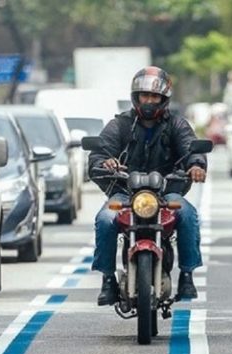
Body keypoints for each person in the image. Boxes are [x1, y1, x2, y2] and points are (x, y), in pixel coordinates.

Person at [88, 66, 208, 306]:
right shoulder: (119, 125)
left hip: (167, 193)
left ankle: (187, 275)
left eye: (155, 96)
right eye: (145, 95)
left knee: (187, 213)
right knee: (104, 219)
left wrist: (196, 165)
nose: (150, 101)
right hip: (124, 193)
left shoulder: (177, 125)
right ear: (136, 97)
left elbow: (190, 147)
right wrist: (104, 162)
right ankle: (107, 278)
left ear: (163, 99)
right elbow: (99, 153)